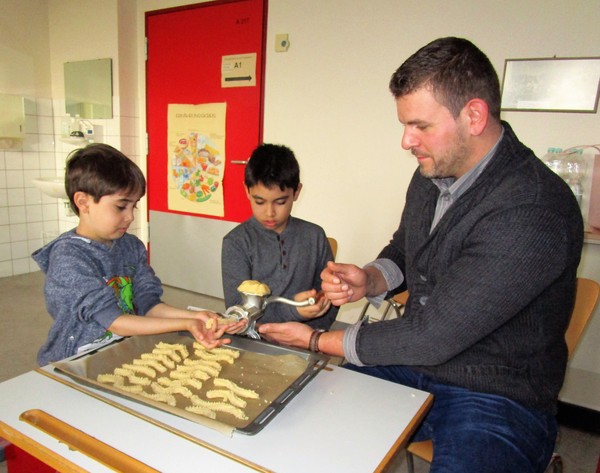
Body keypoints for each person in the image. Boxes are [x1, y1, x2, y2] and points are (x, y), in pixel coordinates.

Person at [259, 37, 584, 473]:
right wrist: (371, 278)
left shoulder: (534, 206)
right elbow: (405, 249)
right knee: (299, 420)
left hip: (498, 393)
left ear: (473, 115)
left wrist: (318, 340)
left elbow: (434, 334)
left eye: (420, 126)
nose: (406, 141)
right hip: (416, 366)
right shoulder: (432, 173)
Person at [33, 143, 242, 366]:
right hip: (74, 362)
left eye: (135, 206)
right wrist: (184, 324)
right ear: (83, 202)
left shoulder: (131, 247)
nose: (130, 217)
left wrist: (195, 317)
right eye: (121, 207)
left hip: (118, 353)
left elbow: (148, 305)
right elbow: (114, 321)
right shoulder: (69, 258)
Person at [221, 143, 337, 330]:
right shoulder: (237, 242)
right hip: (256, 337)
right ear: (246, 191)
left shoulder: (314, 236)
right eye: (259, 202)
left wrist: (312, 331)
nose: (269, 212)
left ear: (296, 192)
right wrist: (294, 312)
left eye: (280, 202)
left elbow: (330, 297)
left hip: (308, 335)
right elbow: (238, 311)